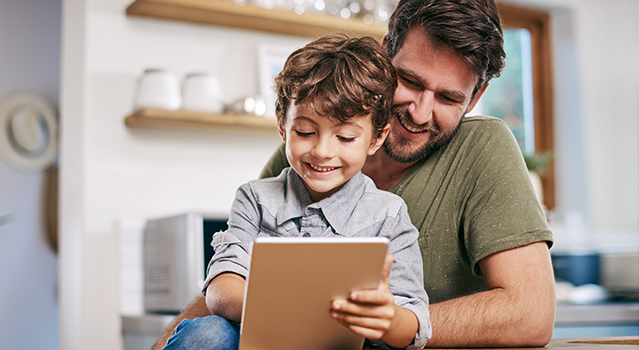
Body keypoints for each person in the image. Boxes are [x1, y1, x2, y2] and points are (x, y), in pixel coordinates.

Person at [149, 0, 556, 348]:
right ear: (384, 56)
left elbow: (531, 313)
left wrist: (378, 323)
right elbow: (230, 274)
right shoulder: (301, 162)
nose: (419, 112)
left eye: (449, 97)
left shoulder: (481, 147)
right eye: (410, 81)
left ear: (475, 98)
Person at [161, 34, 431, 350]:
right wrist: (293, 309)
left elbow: (413, 325)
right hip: (259, 341)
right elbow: (222, 289)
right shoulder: (256, 199)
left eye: (345, 138)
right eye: (305, 132)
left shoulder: (388, 215)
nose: (322, 151)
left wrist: (389, 319)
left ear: (375, 138)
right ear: (282, 125)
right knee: (207, 334)